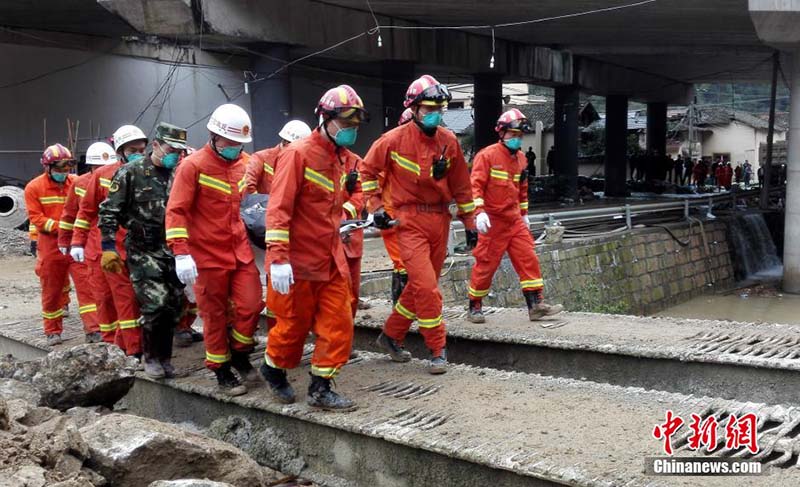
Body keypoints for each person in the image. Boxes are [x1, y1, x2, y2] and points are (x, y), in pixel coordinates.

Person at [260, 85, 368, 411]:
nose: (350, 131)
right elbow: (278, 209)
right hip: (297, 262)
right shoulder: (297, 154)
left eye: (354, 125)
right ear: (325, 118)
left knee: (339, 324)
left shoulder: (340, 159)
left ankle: (320, 387)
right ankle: (272, 369)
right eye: (345, 123)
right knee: (292, 327)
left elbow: (340, 205)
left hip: (330, 258)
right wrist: (278, 259)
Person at [361, 74, 477, 375]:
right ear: (413, 108)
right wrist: (375, 208)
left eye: (439, 108)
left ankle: (391, 334)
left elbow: (462, 186)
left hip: (440, 220)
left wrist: (470, 223)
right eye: (428, 108)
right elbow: (367, 172)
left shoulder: (448, 141)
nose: (435, 114)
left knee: (418, 288)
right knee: (427, 288)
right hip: (408, 221)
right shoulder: (393, 140)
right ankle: (437, 348)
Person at [166, 104, 264, 396]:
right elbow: (176, 211)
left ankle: (239, 352)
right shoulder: (192, 166)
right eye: (231, 143)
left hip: (241, 252)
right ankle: (221, 370)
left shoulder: (245, 163)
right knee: (213, 314)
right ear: (214, 136)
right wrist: (181, 252)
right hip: (207, 256)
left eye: (239, 144)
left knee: (251, 305)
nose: (235, 148)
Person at [98, 123, 188, 379]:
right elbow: (108, 212)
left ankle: (165, 358)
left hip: (171, 247)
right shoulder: (130, 173)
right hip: (142, 250)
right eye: (172, 149)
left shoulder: (179, 173)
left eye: (180, 151)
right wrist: (107, 248)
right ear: (157, 145)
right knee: (155, 303)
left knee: (173, 305)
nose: (176, 155)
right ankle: (150, 358)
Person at [467, 109, 563, 323]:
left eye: (519, 136)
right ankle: (474, 305)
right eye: (513, 135)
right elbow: (475, 186)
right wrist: (479, 212)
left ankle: (535, 305)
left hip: (514, 220)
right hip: (492, 222)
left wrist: (524, 214)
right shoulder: (487, 156)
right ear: (501, 133)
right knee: (486, 265)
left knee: (529, 259)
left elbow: (522, 188)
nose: (516, 139)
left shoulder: (521, 159)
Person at [72, 126, 146, 358]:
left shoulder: (150, 172)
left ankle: (125, 344)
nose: (138, 154)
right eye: (133, 150)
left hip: (143, 249)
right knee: (121, 301)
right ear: (120, 150)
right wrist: (76, 242)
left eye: (142, 150)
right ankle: (131, 349)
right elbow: (85, 212)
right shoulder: (102, 176)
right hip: (113, 249)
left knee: (141, 301)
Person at [24, 144, 99, 345]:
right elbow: (36, 218)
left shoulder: (75, 183)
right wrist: (64, 227)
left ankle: (93, 329)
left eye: (66, 169)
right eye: (59, 169)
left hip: (76, 244)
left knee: (87, 287)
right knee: (52, 291)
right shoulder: (34, 187)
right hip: (51, 246)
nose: (63, 173)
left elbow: (86, 209)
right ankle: (52, 331)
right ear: (47, 168)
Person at [58, 142, 124, 344]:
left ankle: (125, 339)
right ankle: (100, 333)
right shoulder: (79, 184)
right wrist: (66, 240)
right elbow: (71, 214)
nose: (101, 171)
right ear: (90, 167)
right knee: (97, 294)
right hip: (91, 244)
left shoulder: (121, 177)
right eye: (96, 168)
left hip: (118, 242)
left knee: (122, 296)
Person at [245, 120, 312, 195]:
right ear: (285, 142)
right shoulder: (261, 158)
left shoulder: (303, 166)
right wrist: (260, 204)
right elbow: (248, 184)